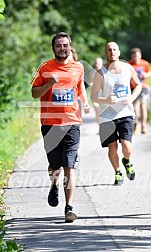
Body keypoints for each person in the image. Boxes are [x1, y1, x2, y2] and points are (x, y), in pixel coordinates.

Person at [31, 32, 90, 222]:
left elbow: (80, 88)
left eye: (65, 45)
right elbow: (33, 93)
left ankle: (69, 208)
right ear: (53, 48)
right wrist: (49, 84)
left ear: (69, 46)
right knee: (54, 165)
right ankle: (54, 185)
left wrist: (85, 102)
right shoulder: (44, 68)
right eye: (59, 46)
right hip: (50, 124)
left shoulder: (78, 67)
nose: (62, 49)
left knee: (69, 165)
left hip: (72, 122)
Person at [91, 42, 142, 185]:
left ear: (119, 52)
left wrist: (131, 98)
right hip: (107, 115)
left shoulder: (127, 68)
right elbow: (93, 97)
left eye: (114, 49)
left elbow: (138, 85)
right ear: (105, 53)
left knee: (126, 145)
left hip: (125, 113)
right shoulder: (101, 73)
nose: (112, 52)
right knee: (112, 146)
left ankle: (126, 161)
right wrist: (106, 99)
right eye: (109, 50)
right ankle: (118, 172)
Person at [129, 48, 151, 134]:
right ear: (132, 56)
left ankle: (143, 126)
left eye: (137, 56)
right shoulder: (129, 64)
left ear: (140, 55)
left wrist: (145, 74)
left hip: (143, 87)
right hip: (133, 88)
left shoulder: (145, 63)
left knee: (143, 106)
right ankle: (136, 125)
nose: (136, 58)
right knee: (135, 107)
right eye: (134, 56)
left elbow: (150, 72)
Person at [89, 57, 103, 123]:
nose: (97, 64)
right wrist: (91, 84)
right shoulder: (92, 72)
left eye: (99, 63)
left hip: (103, 95)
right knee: (97, 111)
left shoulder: (105, 72)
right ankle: (100, 126)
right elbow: (90, 81)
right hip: (95, 95)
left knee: (103, 112)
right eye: (96, 63)